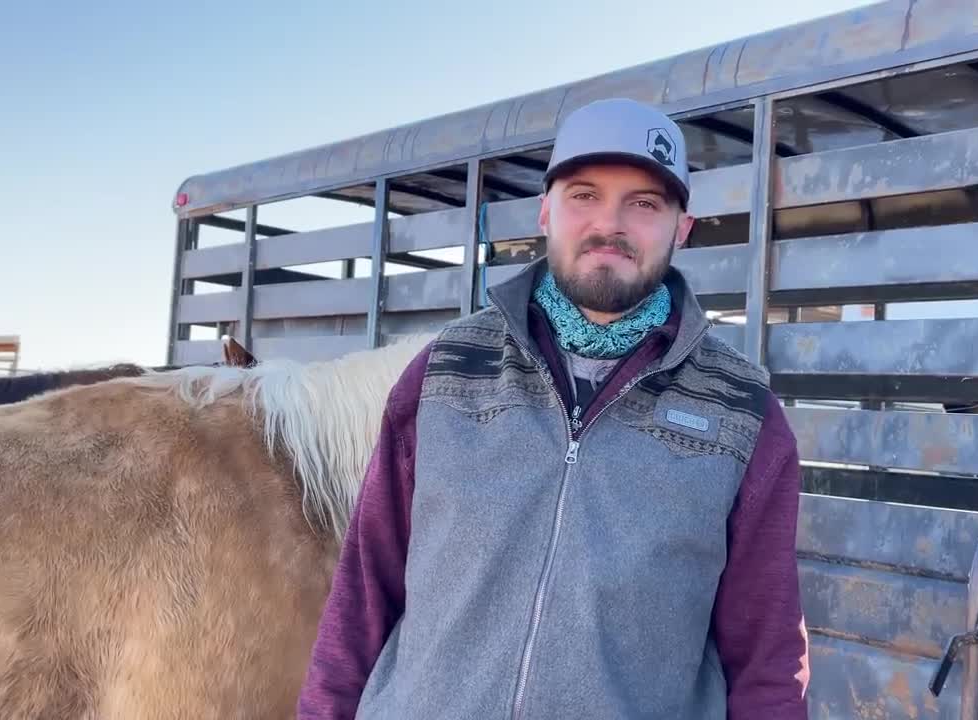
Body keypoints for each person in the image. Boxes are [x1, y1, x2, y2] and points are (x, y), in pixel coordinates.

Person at [295, 97, 810, 719]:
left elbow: (768, 659)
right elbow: (363, 594)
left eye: (644, 203)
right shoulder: (446, 371)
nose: (609, 224)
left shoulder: (742, 415)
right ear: (546, 212)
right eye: (584, 195)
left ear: (681, 226)